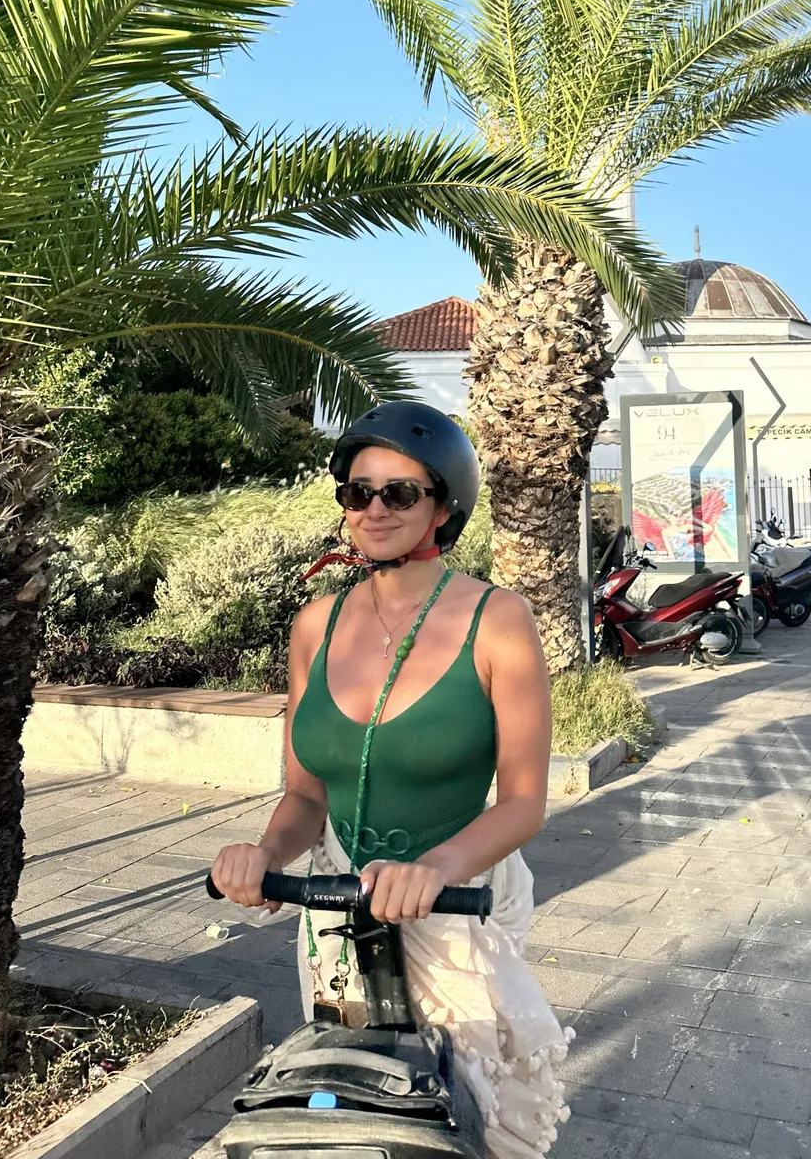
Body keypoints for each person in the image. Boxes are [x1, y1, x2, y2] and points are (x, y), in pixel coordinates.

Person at [210, 401, 571, 1159]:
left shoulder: (498, 618)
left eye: (399, 493)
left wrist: (434, 868)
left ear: (443, 506)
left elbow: (524, 801)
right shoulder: (317, 623)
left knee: (473, 1119)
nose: (374, 509)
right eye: (357, 491)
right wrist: (266, 855)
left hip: (456, 894)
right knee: (354, 1108)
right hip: (340, 903)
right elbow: (306, 795)